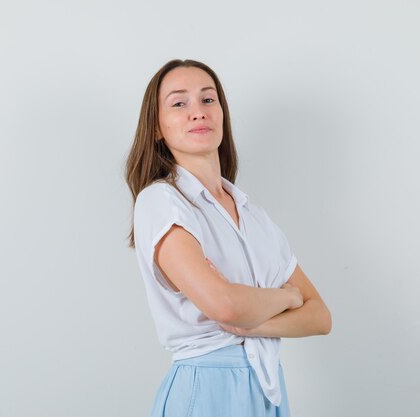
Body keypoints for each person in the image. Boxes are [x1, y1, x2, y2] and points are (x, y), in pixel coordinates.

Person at [125, 58, 332, 417]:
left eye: (208, 99)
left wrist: (252, 320)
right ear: (156, 127)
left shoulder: (253, 214)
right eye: (179, 103)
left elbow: (320, 317)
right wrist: (286, 295)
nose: (198, 112)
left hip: (268, 388)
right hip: (206, 388)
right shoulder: (161, 201)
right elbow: (225, 306)